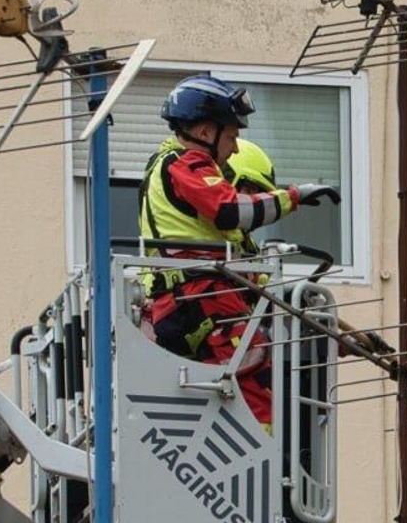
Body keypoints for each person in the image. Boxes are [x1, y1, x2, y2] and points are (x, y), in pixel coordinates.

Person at [138, 75, 339, 429]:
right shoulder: (187, 163)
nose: (233, 149)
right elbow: (231, 209)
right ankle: (262, 471)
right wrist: (296, 196)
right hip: (202, 295)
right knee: (255, 381)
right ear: (203, 131)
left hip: (182, 301)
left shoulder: (166, 165)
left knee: (232, 383)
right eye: (231, 136)